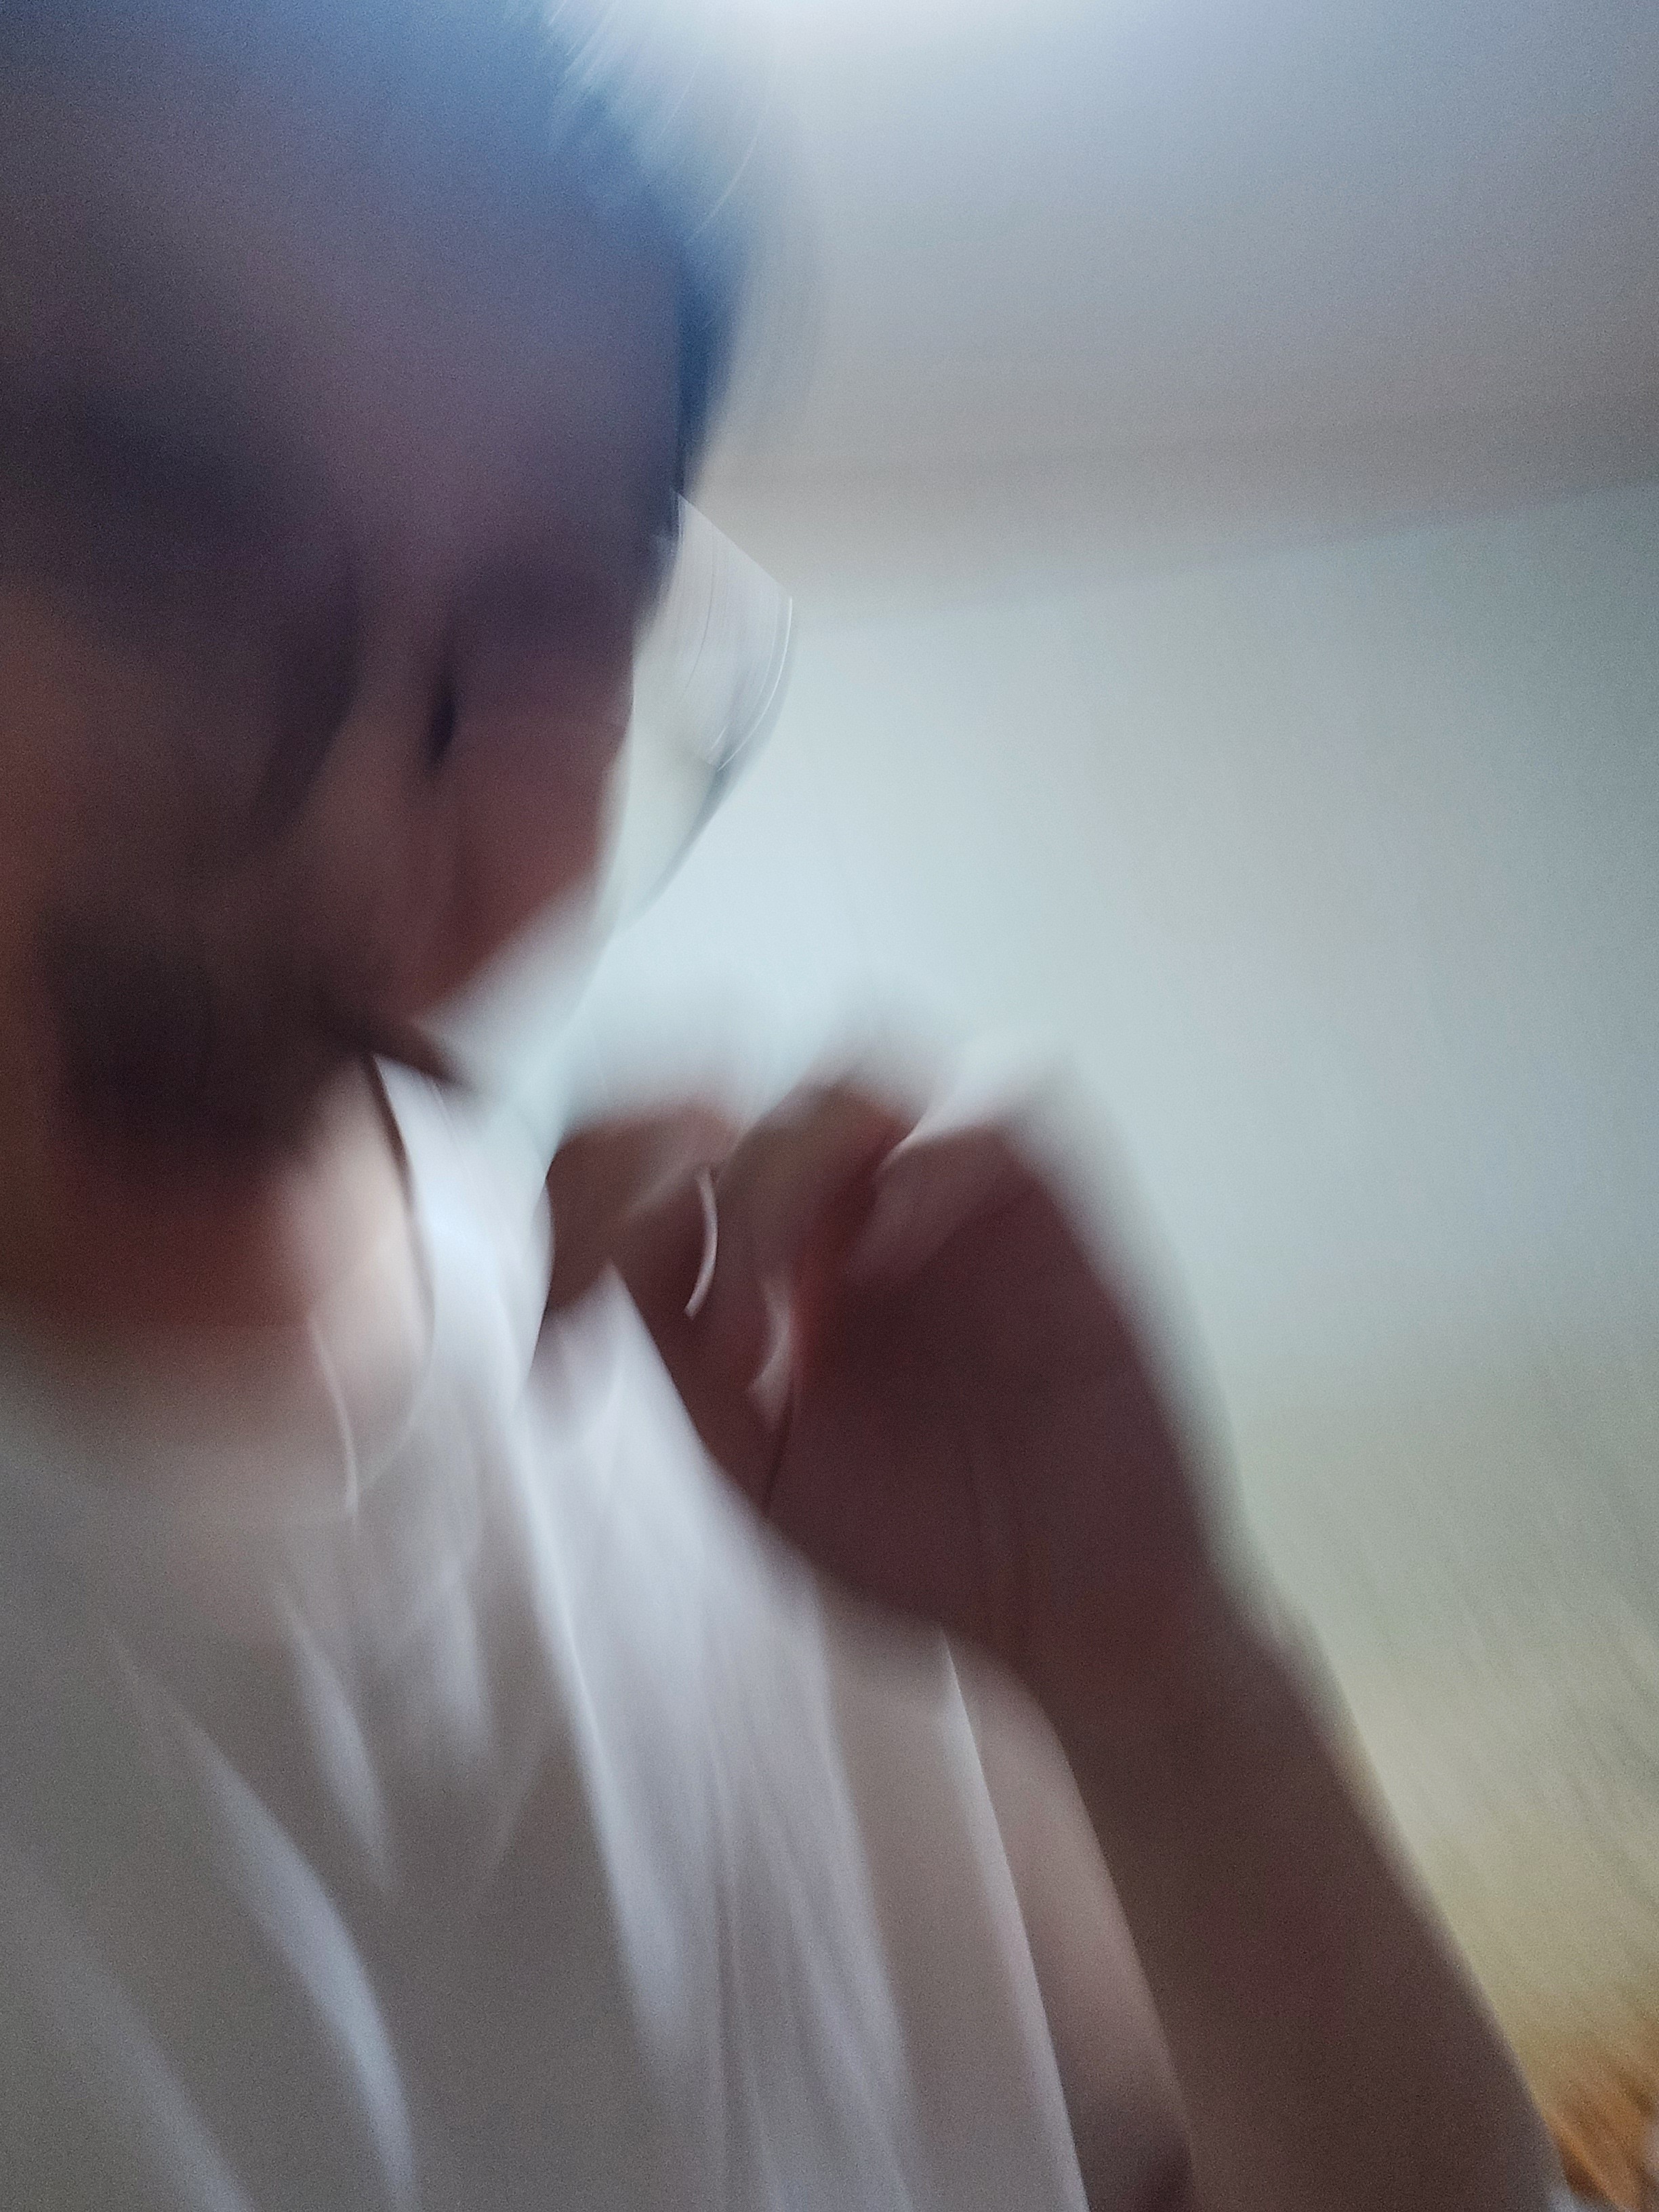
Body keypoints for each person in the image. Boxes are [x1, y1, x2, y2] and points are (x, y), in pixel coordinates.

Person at [0, 3, 1565, 2207]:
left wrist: (1164, 1678)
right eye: (156, 539)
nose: (363, 844)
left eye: (545, 628)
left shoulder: (767, 1396)